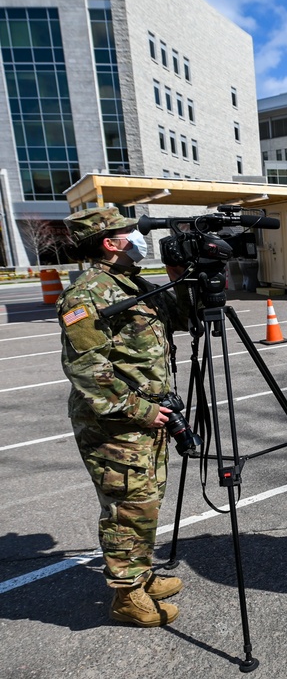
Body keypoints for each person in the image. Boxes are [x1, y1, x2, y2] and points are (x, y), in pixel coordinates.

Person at [57, 207, 190, 627]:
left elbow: (184, 316)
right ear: (109, 243)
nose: (137, 236)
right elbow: (86, 370)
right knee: (128, 508)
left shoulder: (130, 283)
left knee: (144, 503)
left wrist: (182, 271)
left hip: (146, 420)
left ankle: (140, 575)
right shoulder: (87, 293)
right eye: (128, 231)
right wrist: (141, 411)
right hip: (116, 424)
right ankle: (127, 597)